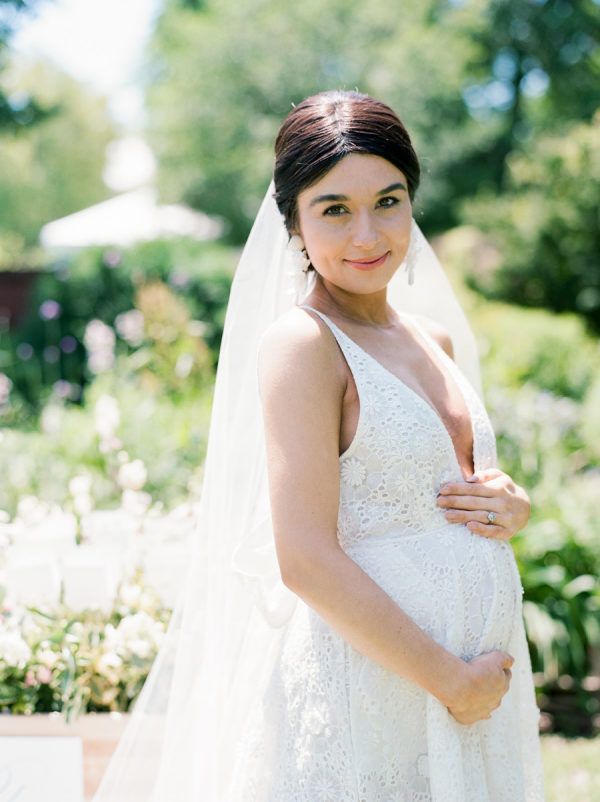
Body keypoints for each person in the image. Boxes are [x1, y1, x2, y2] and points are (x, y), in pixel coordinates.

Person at [92, 90, 544, 802]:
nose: (367, 234)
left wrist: (505, 507)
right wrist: (448, 679)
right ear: (295, 224)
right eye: (335, 209)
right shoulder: (304, 346)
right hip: (374, 697)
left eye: (388, 201)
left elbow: (431, 492)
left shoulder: (436, 340)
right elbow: (303, 557)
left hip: (471, 696)